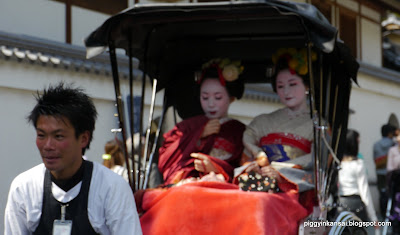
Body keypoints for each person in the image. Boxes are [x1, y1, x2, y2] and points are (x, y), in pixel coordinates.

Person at [4, 83, 142, 234]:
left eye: (58, 136)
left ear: (83, 138)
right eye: (41, 135)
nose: (48, 145)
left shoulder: (111, 188)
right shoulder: (24, 188)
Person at [242, 47, 316, 213]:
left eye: (292, 84)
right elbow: (248, 138)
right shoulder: (263, 120)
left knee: (266, 205)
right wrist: (256, 156)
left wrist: (281, 171)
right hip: (260, 181)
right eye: (280, 86)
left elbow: (318, 159)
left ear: (306, 85)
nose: (286, 91)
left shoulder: (317, 124)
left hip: (294, 188)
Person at [158, 58, 247, 185]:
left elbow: (244, 168)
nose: (211, 104)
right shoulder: (186, 127)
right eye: (205, 97)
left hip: (224, 185)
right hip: (188, 183)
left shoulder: (239, 130)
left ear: (231, 98)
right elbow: (166, 161)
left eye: (218, 97)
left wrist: (217, 168)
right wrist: (199, 134)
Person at [338, 129, 378, 224]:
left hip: (340, 205)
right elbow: (365, 191)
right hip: (356, 205)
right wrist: (373, 217)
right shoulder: (358, 164)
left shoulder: (338, 164)